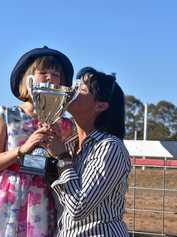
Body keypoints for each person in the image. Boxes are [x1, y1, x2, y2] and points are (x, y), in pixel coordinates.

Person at [0, 46, 74, 237]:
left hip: (43, 200)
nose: (50, 78)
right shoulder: (7, 115)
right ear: (28, 77)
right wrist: (22, 150)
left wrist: (57, 149)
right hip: (6, 199)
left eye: (56, 74)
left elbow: (66, 164)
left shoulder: (65, 124)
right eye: (43, 72)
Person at [45, 67, 131, 236]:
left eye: (82, 90)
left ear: (100, 106)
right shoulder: (69, 144)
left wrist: (62, 157)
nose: (72, 91)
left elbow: (78, 208)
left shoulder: (110, 147)